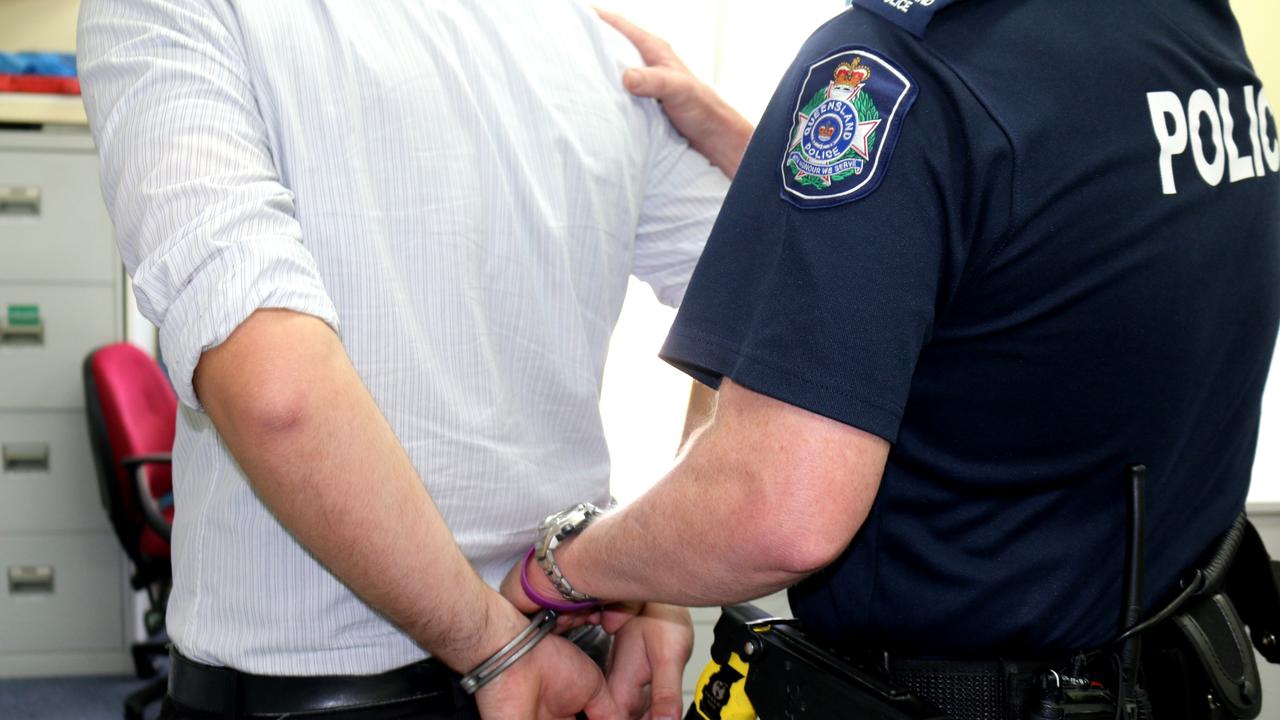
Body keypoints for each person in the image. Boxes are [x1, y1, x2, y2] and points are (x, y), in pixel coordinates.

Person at [506, 1, 1280, 717]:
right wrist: (767, 155)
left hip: (965, 693)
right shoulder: (1183, 27)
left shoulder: (900, 65)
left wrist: (565, 570)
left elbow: (776, 511)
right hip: (1173, 665)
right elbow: (1037, 229)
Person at [77, 0, 753, 717]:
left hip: (346, 685)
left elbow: (276, 395)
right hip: (568, 663)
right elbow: (755, 300)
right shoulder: (599, 45)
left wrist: (495, 643)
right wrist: (655, 566)